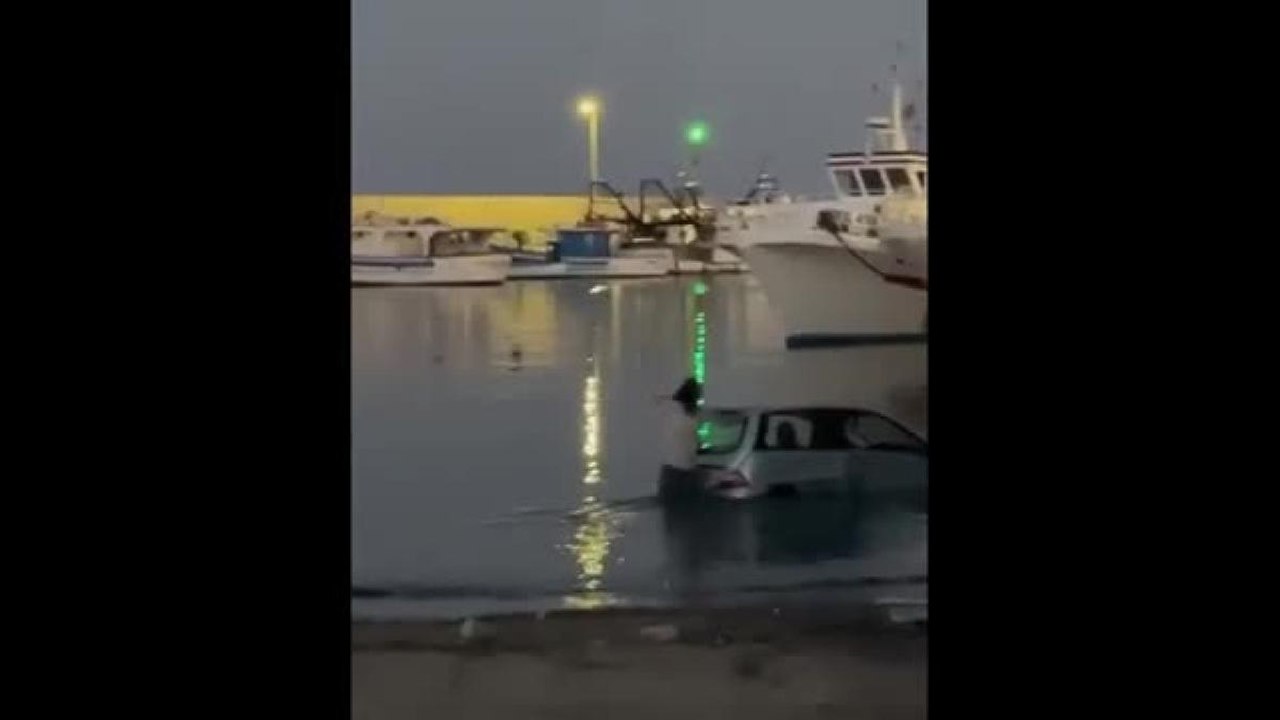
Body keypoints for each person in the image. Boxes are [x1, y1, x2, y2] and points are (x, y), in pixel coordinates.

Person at [658, 377, 704, 501]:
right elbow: (693, 439)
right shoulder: (691, 415)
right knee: (686, 512)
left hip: (671, 468)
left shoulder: (673, 410)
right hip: (685, 469)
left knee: (671, 513)